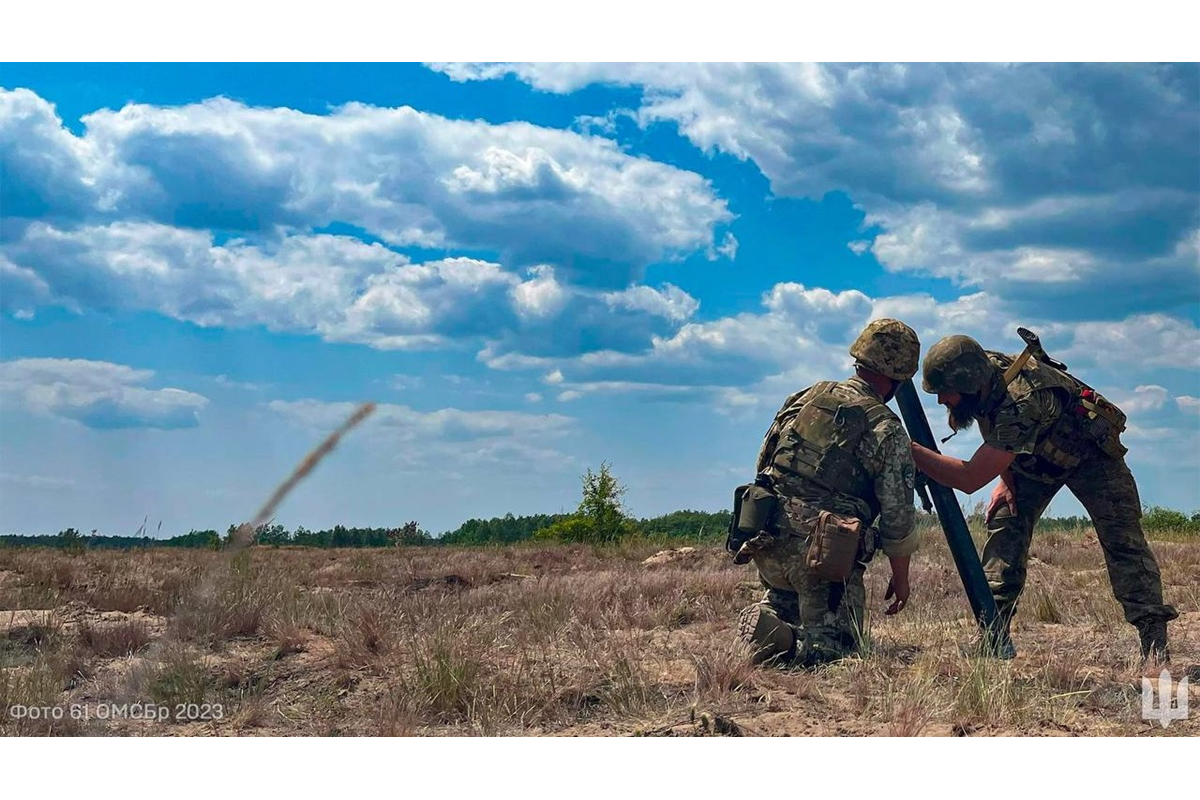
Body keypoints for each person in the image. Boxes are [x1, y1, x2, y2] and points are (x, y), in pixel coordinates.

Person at [912, 333, 1178, 662]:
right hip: (1034, 456)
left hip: (1091, 458)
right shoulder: (984, 374)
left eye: (944, 393)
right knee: (1005, 522)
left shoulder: (1022, 400)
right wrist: (1006, 479)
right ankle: (993, 636)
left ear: (966, 383)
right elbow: (989, 422)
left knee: (1123, 542)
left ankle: (1154, 642)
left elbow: (968, 479)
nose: (941, 401)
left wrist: (909, 450)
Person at [733, 319, 922, 668]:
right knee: (839, 649)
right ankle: (788, 645)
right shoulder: (885, 427)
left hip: (766, 537)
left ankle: (771, 621)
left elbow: (766, 458)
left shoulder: (807, 395)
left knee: (784, 602)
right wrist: (901, 577)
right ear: (900, 376)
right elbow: (897, 517)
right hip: (823, 556)